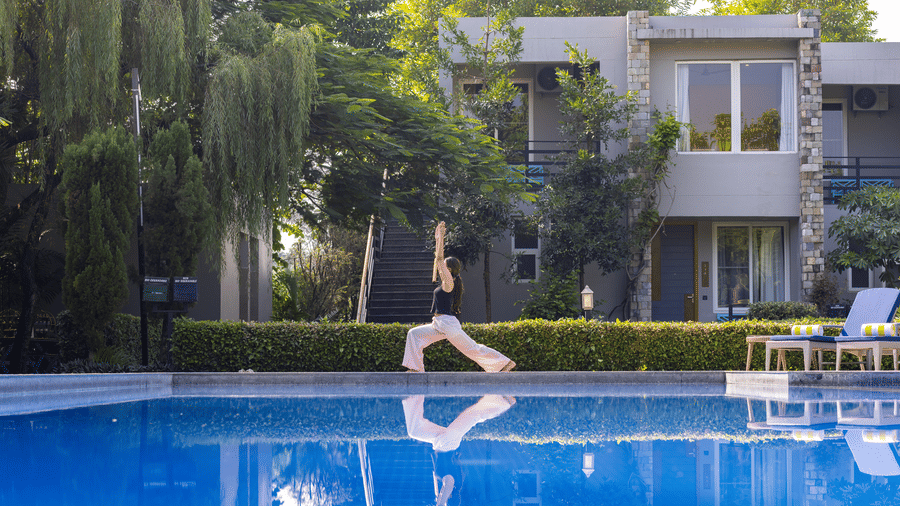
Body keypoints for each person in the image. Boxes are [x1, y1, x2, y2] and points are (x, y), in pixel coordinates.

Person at [402, 221, 516, 373]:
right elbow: (439, 260)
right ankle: (416, 369)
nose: (439, 267)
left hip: (447, 325)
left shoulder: (449, 282)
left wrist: (441, 238)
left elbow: (440, 258)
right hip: (439, 324)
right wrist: (437, 239)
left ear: (448, 269)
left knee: (472, 349)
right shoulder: (447, 282)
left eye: (443, 267)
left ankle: (505, 363)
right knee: (414, 334)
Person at [402, 395, 517, 506]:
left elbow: (443, 488)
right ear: (450, 496)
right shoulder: (451, 479)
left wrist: (439, 500)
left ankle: (413, 392)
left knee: (415, 430)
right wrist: (441, 504)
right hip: (447, 444)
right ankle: (503, 402)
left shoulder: (442, 479)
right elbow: (448, 484)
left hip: (439, 442)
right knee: (472, 415)